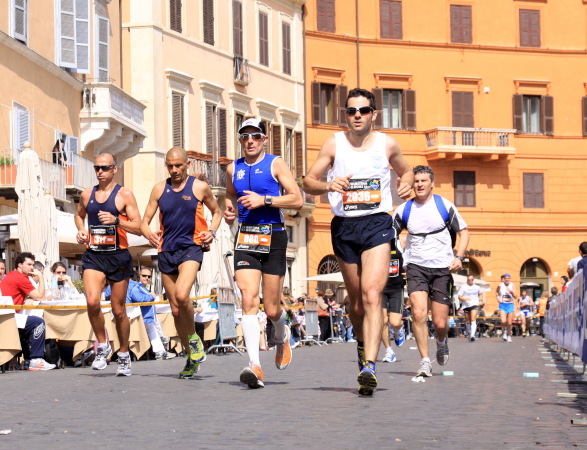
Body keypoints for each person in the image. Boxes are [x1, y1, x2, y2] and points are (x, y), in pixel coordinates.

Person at [303, 88, 414, 395]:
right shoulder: (333, 143)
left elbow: (407, 172)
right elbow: (307, 181)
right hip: (344, 226)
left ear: (373, 114)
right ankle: (363, 346)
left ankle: (371, 366)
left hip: (377, 223)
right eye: (351, 111)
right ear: (346, 115)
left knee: (372, 293)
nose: (357, 116)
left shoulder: (387, 144)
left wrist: (405, 184)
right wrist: (329, 185)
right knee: (355, 303)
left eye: (363, 110)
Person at [224, 118, 303, 389]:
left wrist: (265, 200)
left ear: (264, 139)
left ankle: (282, 334)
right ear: (240, 140)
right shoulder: (233, 167)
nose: (250, 141)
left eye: (255, 136)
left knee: (271, 309)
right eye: (245, 136)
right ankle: (255, 366)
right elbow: (229, 194)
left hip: (274, 236)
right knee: (248, 299)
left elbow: (297, 199)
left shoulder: (275, 163)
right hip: (246, 236)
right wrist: (229, 210)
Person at [141, 147, 222, 379]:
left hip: (191, 248)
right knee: (176, 309)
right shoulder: (159, 189)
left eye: (178, 165)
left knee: (182, 295)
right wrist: (149, 234)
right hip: (166, 250)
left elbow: (217, 212)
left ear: (187, 164)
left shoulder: (199, 187)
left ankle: (194, 339)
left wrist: (212, 232)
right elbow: (145, 221)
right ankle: (191, 356)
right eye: (170, 166)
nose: (174, 170)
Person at [392, 165, 469, 378]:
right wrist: (400, 260)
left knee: (440, 323)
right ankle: (425, 361)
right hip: (415, 267)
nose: (419, 185)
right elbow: (390, 236)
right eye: (416, 181)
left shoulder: (444, 205)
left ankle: (442, 342)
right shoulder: (404, 210)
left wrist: (459, 257)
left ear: (431, 183)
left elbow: (464, 232)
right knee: (418, 313)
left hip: (442, 268)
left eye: (423, 181)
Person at [75, 153, 143, 376]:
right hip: (94, 254)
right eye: (97, 168)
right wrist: (81, 230)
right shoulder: (87, 194)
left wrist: (116, 221)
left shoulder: (124, 195)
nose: (100, 172)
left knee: (118, 310)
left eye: (104, 168)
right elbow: (78, 215)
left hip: (118, 255)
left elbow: (139, 226)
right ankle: (103, 346)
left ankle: (123, 353)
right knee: (92, 302)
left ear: (114, 169)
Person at [0, 252, 55, 370]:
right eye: (29, 264)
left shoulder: (12, 274)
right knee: (38, 323)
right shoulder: (21, 278)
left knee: (30, 323)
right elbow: (41, 297)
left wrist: (30, 297)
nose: (32, 268)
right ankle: (36, 360)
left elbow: (27, 294)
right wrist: (40, 277)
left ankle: (28, 359)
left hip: (6, 315)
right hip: (9, 317)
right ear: (20, 265)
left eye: (33, 265)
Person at [105, 271, 175, 360]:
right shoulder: (133, 285)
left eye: (149, 276)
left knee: (152, 327)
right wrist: (152, 296)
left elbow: (106, 296)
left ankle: (160, 346)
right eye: (144, 276)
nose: (147, 278)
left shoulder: (112, 286)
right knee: (151, 328)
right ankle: (160, 351)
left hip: (117, 317)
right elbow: (139, 298)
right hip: (137, 318)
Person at [381, 248, 406, 363]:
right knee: (382, 321)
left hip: (396, 289)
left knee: (394, 322)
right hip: (381, 289)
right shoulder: (376, 244)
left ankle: (399, 328)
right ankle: (389, 351)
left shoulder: (401, 244)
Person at [457, 274, 483, 342]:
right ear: (467, 280)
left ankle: (472, 335)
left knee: (473, 319)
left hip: (474, 304)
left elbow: (480, 293)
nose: (470, 281)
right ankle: (469, 333)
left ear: (473, 280)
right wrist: (465, 299)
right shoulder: (463, 287)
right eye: (469, 280)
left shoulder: (477, 287)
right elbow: (459, 296)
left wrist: (480, 300)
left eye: (471, 279)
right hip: (466, 305)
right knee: (468, 320)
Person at [496, 274, 517, 343]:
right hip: (502, 304)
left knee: (510, 322)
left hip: (510, 304)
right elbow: (496, 292)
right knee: (503, 321)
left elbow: (515, 296)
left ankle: (509, 335)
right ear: (503, 279)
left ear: (510, 279)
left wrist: (511, 291)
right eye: (506, 278)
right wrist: (497, 297)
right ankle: (504, 332)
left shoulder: (512, 285)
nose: (507, 279)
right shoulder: (500, 285)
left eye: (508, 278)